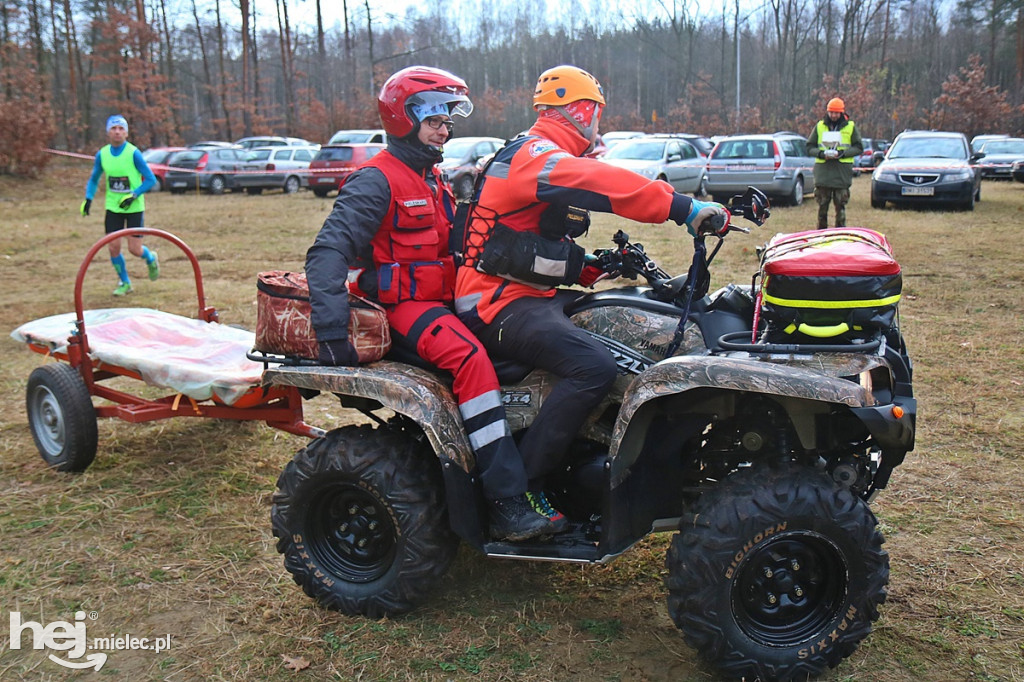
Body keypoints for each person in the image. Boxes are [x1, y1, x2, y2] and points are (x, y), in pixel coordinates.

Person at [454, 65, 727, 524]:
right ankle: (519, 493)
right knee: (593, 366)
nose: (597, 122)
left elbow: (521, 246)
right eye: (596, 112)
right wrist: (682, 206)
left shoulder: (537, 151)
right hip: (493, 303)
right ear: (581, 110)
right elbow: (598, 181)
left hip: (520, 293)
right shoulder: (535, 154)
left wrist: (588, 268)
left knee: (622, 321)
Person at [304, 66, 552, 542]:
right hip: (402, 308)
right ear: (404, 118)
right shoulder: (376, 180)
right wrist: (331, 332)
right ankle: (505, 500)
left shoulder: (431, 178)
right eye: (435, 119)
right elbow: (327, 253)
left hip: (445, 300)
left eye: (447, 120)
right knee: (472, 360)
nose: (445, 129)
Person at [80, 114, 160, 296]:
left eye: (121, 129)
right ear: (108, 132)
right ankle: (125, 282)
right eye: (113, 129)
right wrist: (88, 199)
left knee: (134, 249)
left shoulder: (133, 153)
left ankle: (150, 258)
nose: (117, 132)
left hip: (134, 207)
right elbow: (94, 179)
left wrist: (134, 195)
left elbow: (150, 179)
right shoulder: (103, 154)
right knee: (113, 246)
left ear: (126, 133)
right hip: (113, 207)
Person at [806, 97, 863, 229]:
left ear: (842, 113)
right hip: (823, 174)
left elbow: (859, 147)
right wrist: (821, 154)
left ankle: (840, 234)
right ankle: (821, 234)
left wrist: (842, 153)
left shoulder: (851, 127)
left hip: (841, 174)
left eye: (836, 113)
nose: (833, 115)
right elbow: (809, 147)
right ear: (827, 112)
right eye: (831, 112)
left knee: (840, 208)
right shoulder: (820, 126)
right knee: (822, 208)